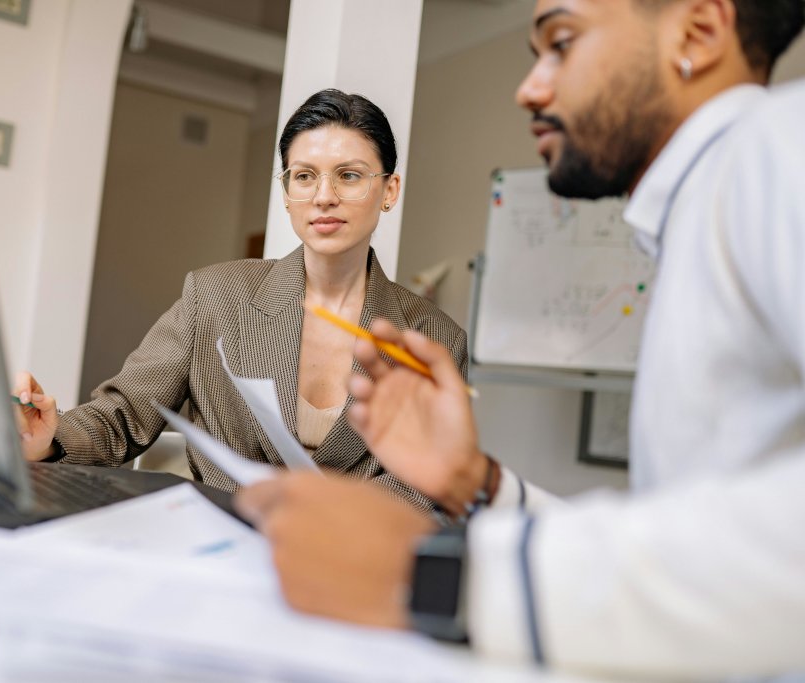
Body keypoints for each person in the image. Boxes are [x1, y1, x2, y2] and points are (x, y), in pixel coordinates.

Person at [236, 0, 805, 679]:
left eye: (561, 42)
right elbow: (706, 544)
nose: (529, 88)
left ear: (700, 30)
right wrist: (481, 485)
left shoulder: (779, 146)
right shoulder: (702, 214)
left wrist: (443, 577)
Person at [13, 88, 467, 508]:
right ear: (287, 193)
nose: (324, 196)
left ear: (389, 190)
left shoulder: (436, 340)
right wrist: (51, 438)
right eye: (304, 176)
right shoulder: (214, 297)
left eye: (349, 176)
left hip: (349, 564)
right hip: (218, 546)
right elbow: (124, 415)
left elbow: (424, 484)